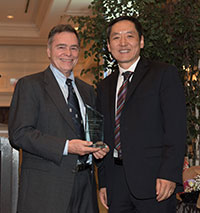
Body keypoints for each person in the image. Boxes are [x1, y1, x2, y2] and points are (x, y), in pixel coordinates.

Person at [8, 24, 109, 213]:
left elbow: (91, 132)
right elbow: (19, 134)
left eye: (74, 48)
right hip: (47, 190)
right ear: (48, 51)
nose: (68, 53)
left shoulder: (87, 91)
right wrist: (67, 146)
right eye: (61, 47)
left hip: (85, 188)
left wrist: (97, 148)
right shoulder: (30, 85)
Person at [96, 16, 186, 213]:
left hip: (155, 182)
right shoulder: (104, 86)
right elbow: (104, 136)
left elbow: (176, 129)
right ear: (109, 46)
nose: (123, 43)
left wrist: (169, 174)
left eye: (130, 36)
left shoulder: (163, 74)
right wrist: (103, 181)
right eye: (116, 38)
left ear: (141, 41)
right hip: (116, 183)